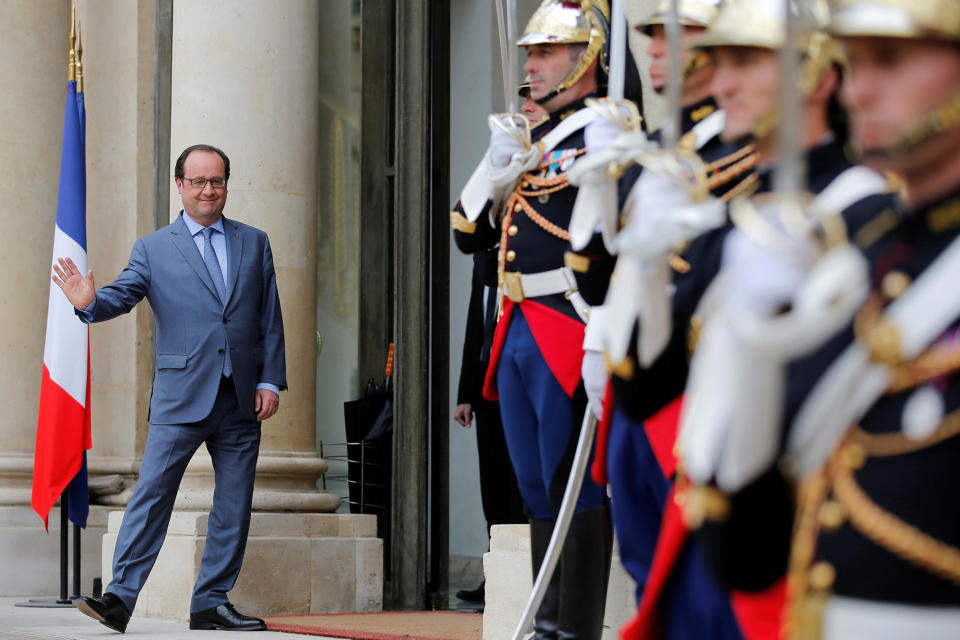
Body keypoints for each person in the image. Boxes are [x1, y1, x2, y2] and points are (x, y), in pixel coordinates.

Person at [678, 1, 960, 638]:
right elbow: (747, 554)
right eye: (854, 63)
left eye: (890, 60)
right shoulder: (858, 252)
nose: (859, 90)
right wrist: (751, 344)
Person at [451, 1, 643, 636]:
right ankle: (547, 619)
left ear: (586, 60)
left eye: (544, 54)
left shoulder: (606, 130)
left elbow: (613, 243)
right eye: (529, 54)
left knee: (574, 484)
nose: (530, 66)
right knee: (535, 486)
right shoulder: (537, 138)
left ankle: (573, 628)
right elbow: (467, 230)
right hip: (518, 328)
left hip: (570, 321)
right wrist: (498, 161)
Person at [53, 144, 286, 633]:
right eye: (198, 181)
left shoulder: (254, 241)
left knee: (234, 502)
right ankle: (119, 597)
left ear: (226, 183)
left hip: (241, 396)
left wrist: (269, 379)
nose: (208, 190)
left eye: (216, 181)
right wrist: (89, 303)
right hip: (181, 396)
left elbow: (269, 317)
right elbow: (124, 291)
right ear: (180, 186)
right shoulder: (154, 247)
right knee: (152, 495)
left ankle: (211, 602)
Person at [453, 258, 526, 604]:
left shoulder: (521, 253)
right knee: (492, 482)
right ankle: (494, 573)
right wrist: (465, 394)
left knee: (519, 482)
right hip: (485, 386)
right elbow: (475, 327)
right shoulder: (482, 262)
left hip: (521, 381)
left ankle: (522, 571)